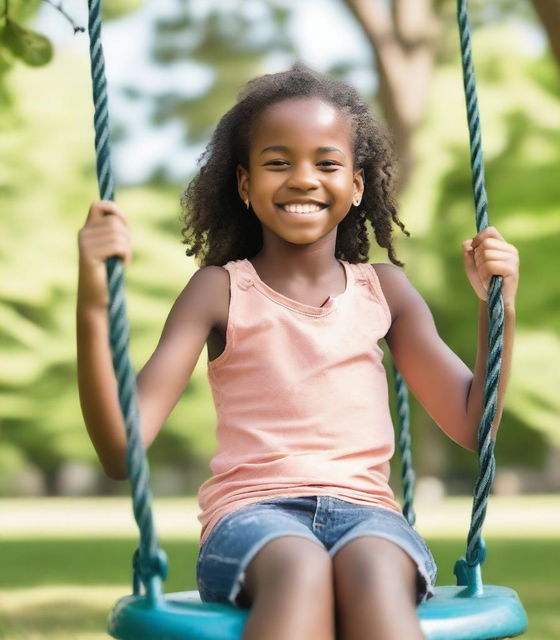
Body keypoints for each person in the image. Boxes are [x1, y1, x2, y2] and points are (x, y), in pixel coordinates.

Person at [76, 62, 519, 640]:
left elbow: (470, 421)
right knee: (300, 566)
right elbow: (120, 448)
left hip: (369, 516)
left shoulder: (385, 291)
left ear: (357, 184)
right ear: (244, 182)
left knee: (375, 571)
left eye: (327, 163)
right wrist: (91, 304)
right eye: (278, 162)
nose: (303, 178)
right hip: (253, 519)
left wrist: (501, 311)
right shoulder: (219, 290)